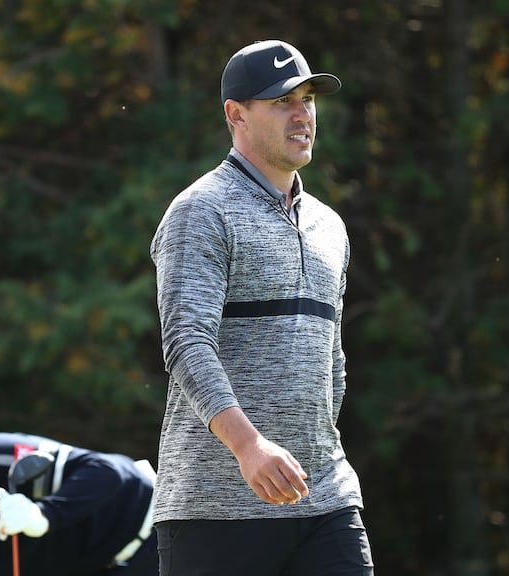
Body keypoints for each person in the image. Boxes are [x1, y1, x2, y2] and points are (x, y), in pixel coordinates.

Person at [148, 40, 374, 575]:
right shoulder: (200, 211)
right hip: (214, 511)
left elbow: (332, 361)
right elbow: (186, 345)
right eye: (281, 102)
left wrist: (319, 453)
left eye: (308, 100)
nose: (302, 115)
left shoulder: (330, 226)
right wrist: (249, 447)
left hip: (325, 497)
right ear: (236, 114)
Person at [0, 432, 157, 576]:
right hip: (106, 563)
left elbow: (111, 472)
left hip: (147, 536)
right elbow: (111, 471)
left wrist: (43, 516)